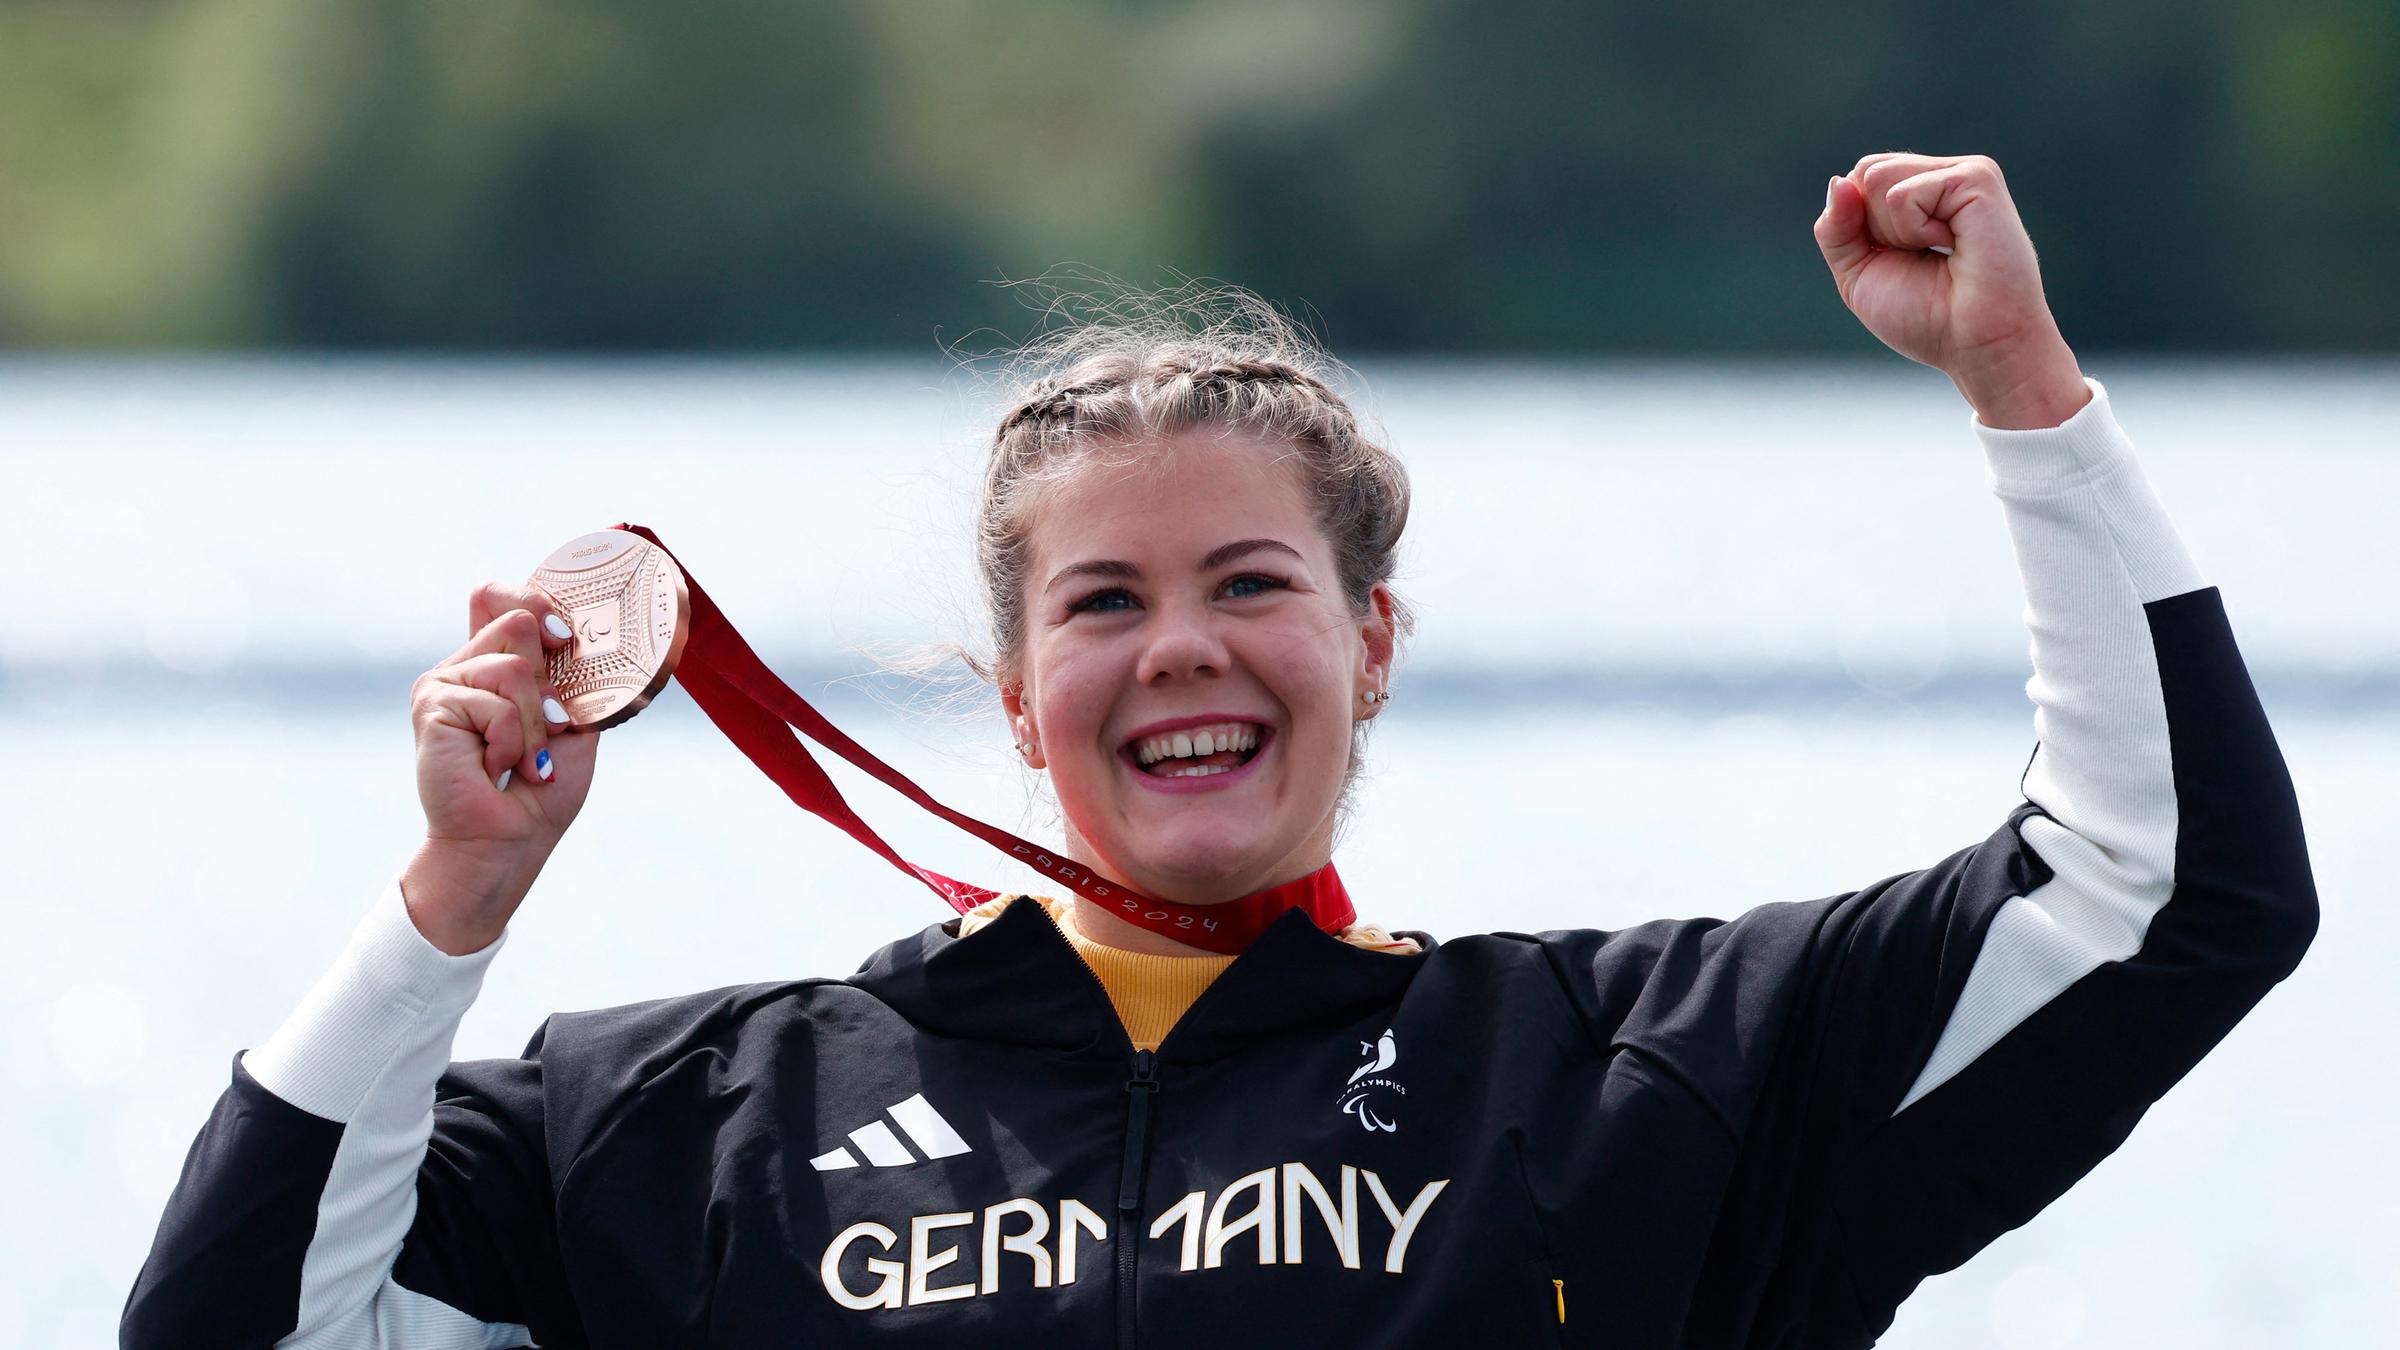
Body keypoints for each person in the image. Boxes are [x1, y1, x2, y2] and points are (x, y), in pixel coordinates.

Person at [122, 152, 2316, 1348]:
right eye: (1102, 603)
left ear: (1371, 644)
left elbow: (2170, 888)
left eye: (1252, 586)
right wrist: (448, 910)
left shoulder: (1638, 1076)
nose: (1185, 650)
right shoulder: (685, 1132)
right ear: (1011, 697)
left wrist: (2022, 388)